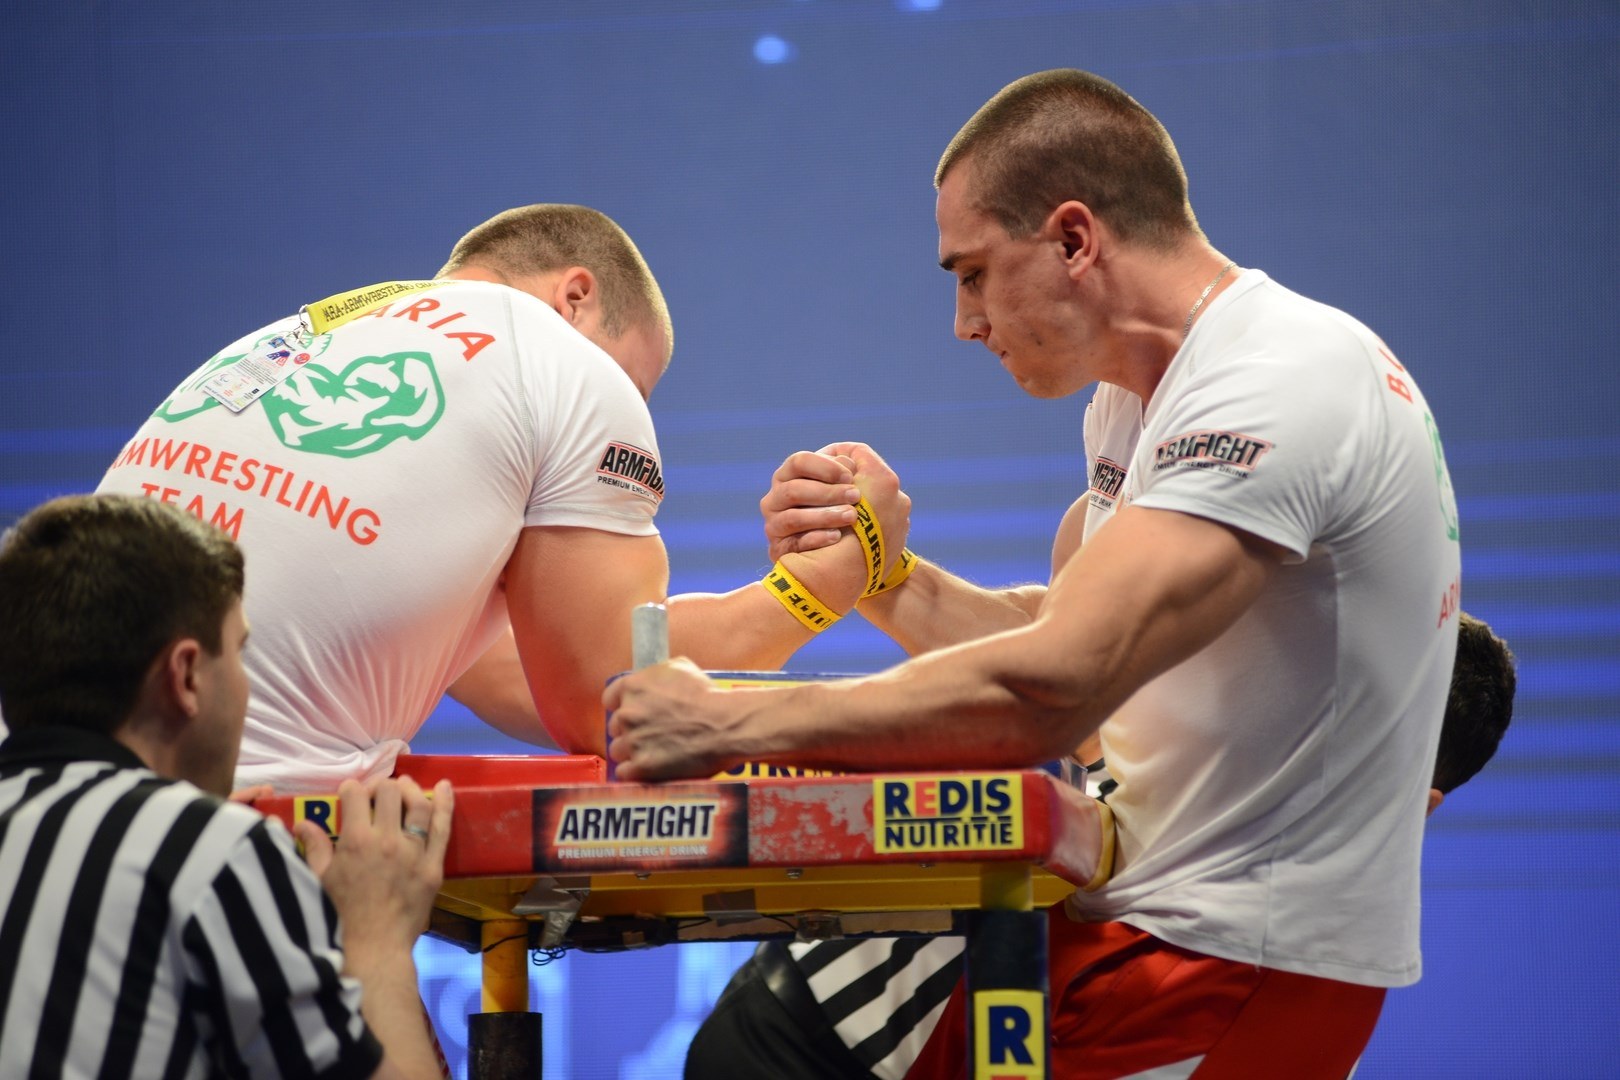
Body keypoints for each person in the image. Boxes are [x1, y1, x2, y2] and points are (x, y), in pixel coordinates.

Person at [607, 68, 1463, 1077]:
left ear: (1072, 239)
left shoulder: (1277, 381)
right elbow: (1086, 659)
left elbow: (1056, 686)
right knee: (765, 1033)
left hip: (1222, 966)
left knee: (779, 1036)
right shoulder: (1142, 400)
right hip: (1131, 935)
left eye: (970, 273)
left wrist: (722, 725)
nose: (965, 322)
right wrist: (882, 575)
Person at [81, 204, 901, 791]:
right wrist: (833, 580)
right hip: (221, 823)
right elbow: (604, 702)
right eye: (635, 385)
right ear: (575, 295)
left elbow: (524, 678)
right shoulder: (564, 366)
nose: (632, 411)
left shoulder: (303, 335)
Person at [684, 611, 1517, 1079]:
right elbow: (1065, 667)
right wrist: (886, 580)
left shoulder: (1302, 1003)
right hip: (789, 1037)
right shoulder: (1244, 733)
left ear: (1418, 806)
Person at [0, 493, 453, 1079]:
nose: (243, 686)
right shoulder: (212, 852)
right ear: (186, 675)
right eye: (238, 652)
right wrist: (375, 942)